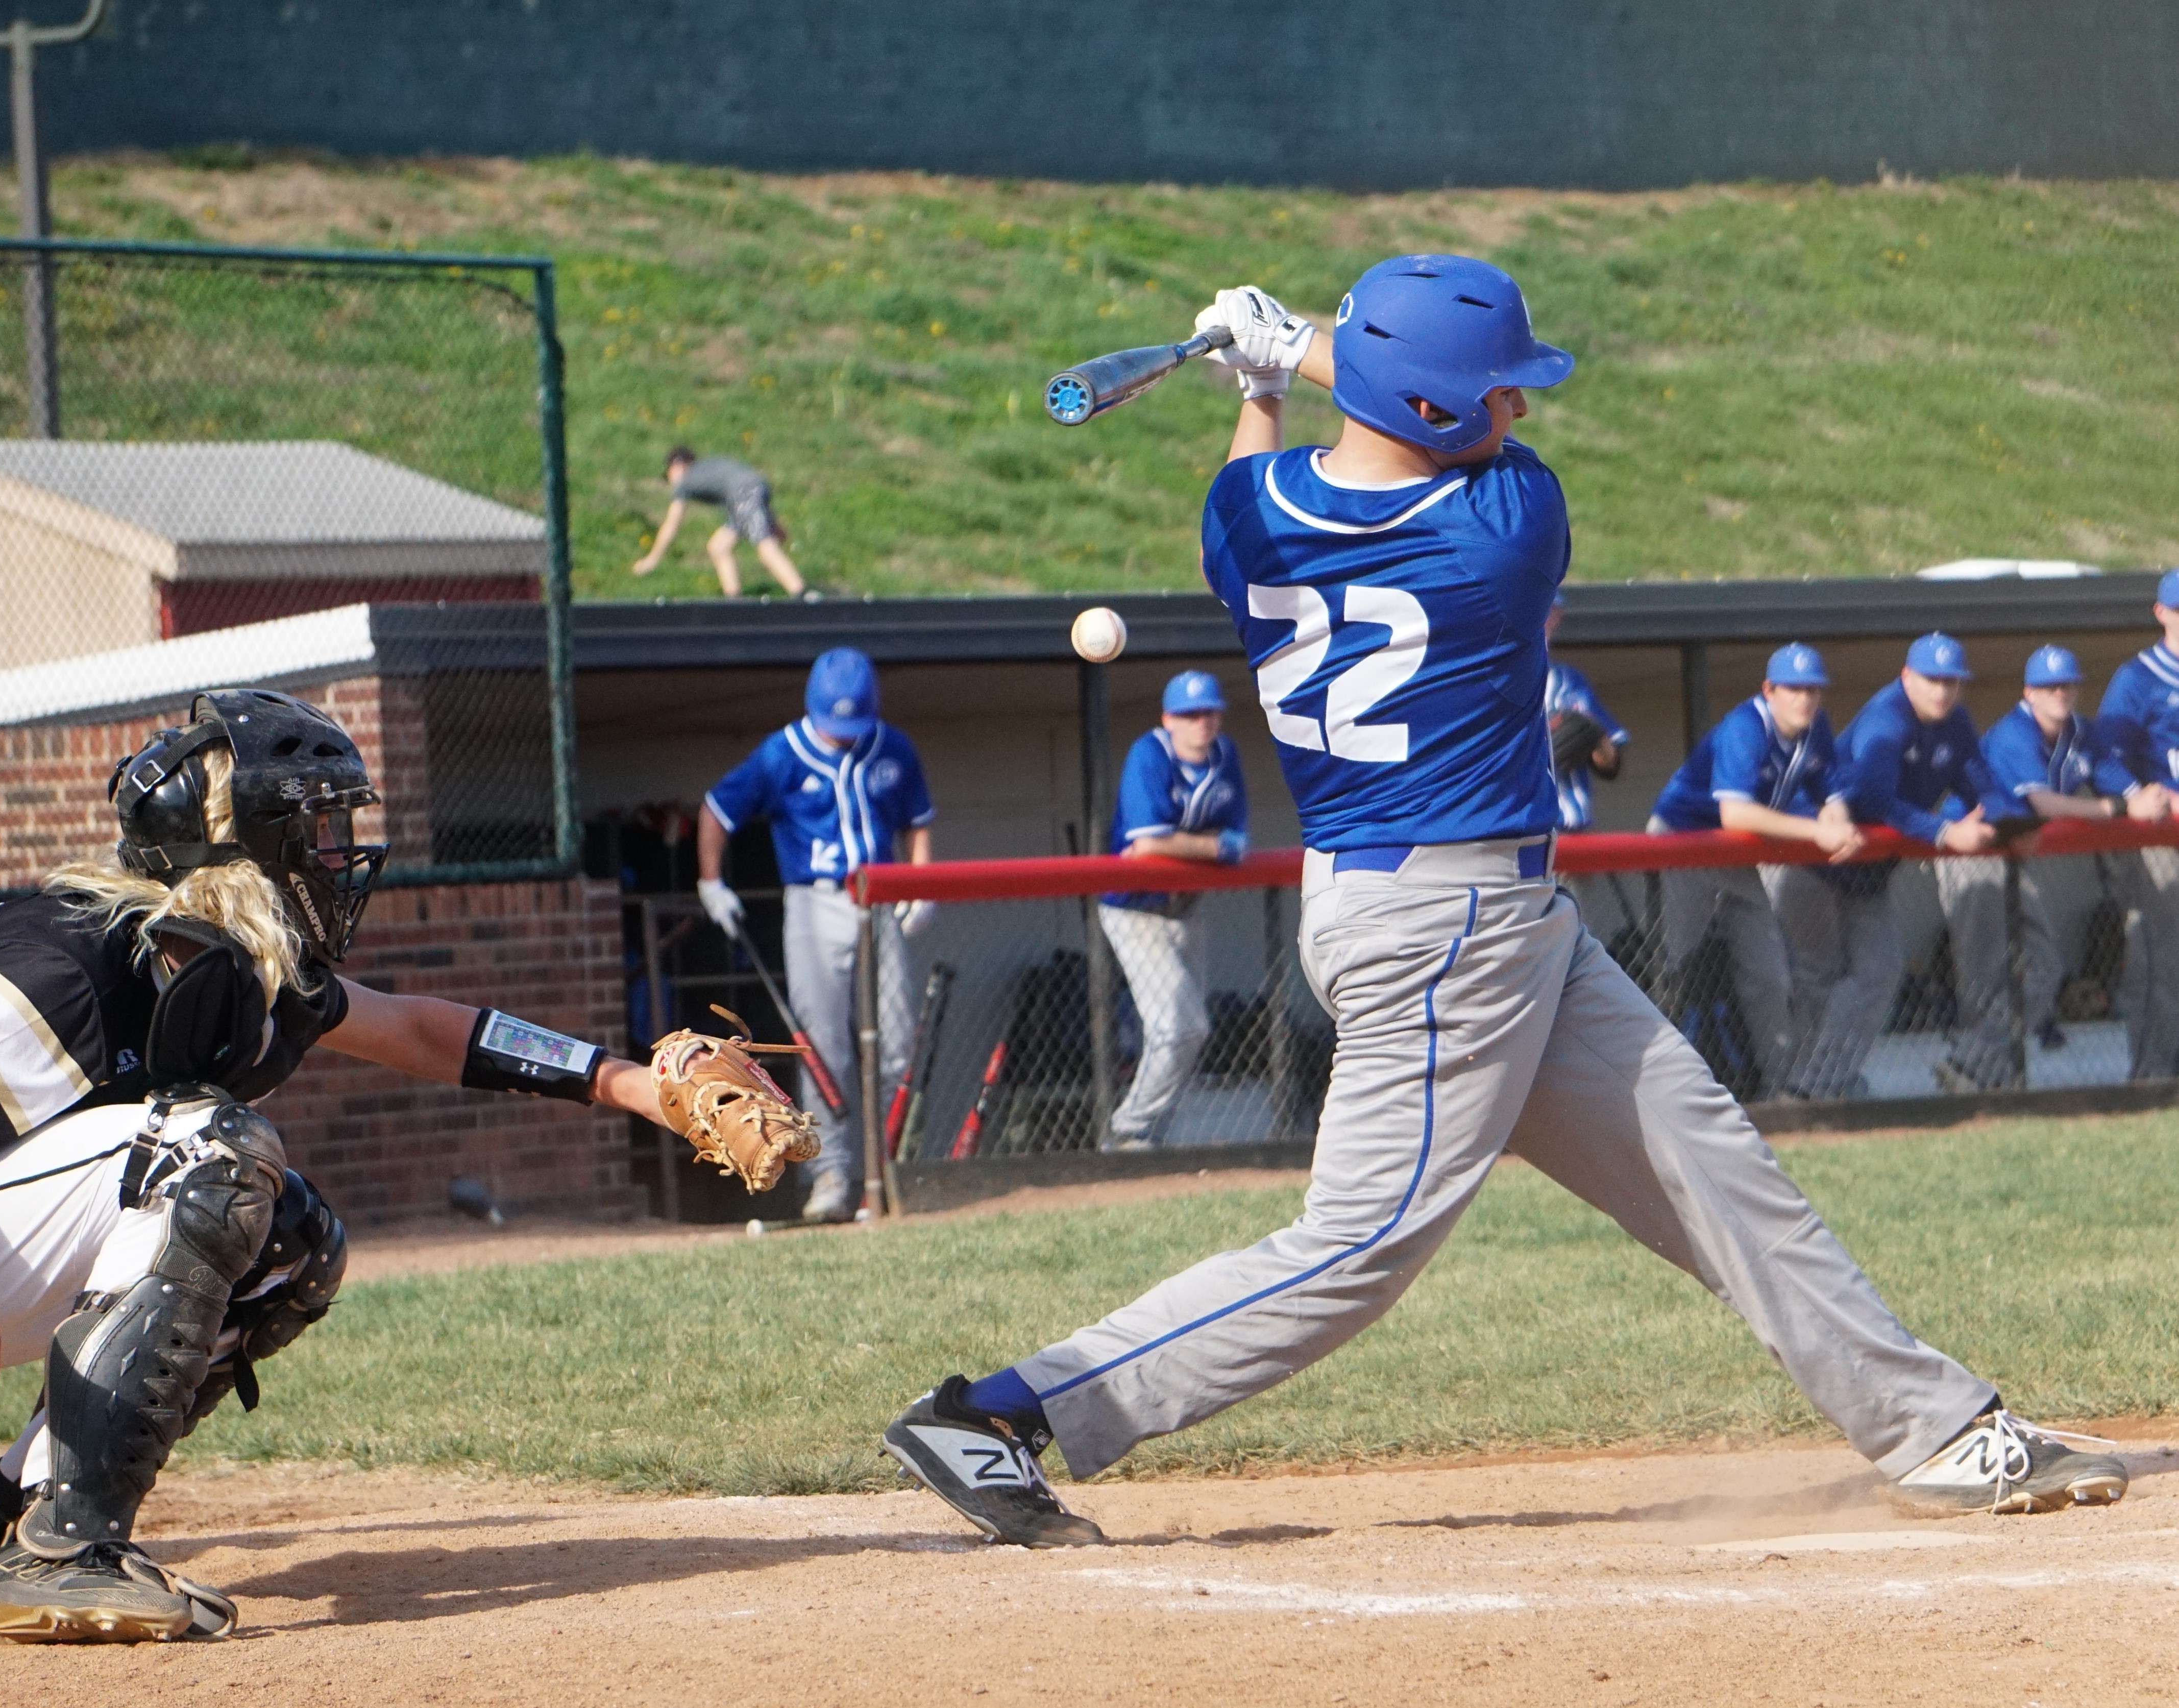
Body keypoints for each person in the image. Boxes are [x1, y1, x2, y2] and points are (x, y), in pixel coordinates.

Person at [876, 261, 2123, 1547]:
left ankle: (1935, 1427)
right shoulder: (1501, 531)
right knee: (1353, 1249)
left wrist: (1258, 382)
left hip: (1458, 916)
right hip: (1444, 933)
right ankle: (1003, 1414)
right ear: (1425, 411)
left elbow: (1265, 479)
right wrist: (1291, 346)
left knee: (1717, 1174)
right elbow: (1382, 416)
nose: (1515, 417)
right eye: (1492, 398)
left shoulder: (1243, 514)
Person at [0, 690, 697, 1642]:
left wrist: (627, 1084)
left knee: (289, 1238)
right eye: (314, 825)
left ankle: (2, 1526)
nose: (337, 853)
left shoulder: (233, 961)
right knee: (204, 1144)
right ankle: (69, 1554)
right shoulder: (69, 965)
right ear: (244, 840)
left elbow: (418, 1026)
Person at [695, 648, 933, 1222]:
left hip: (879, 895)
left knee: (897, 1040)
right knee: (822, 1049)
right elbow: (717, 809)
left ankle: (890, 1170)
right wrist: (711, 882)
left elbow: (916, 823)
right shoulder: (781, 753)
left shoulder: (892, 746)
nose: (844, 735)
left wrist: (921, 886)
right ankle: (831, 1177)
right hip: (813, 900)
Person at [1774, 633, 2010, 1099]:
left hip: (1868, 873)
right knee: (1816, 980)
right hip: (1811, 862)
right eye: (1931, 680)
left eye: (1950, 681)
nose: (1941, 690)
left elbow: (1983, 786)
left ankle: (1818, 1087)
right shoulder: (1887, 718)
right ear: (1907, 677)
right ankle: (1792, 1093)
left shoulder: (1955, 723)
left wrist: (2005, 821)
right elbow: (1875, 799)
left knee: (1880, 972)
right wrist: (1944, 832)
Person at [1648, 643, 1863, 1094]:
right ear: (1769, 690)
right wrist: (1816, 832)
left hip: (1736, 856)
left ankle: (1780, 1090)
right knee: (1677, 969)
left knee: (1769, 975)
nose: (1804, 699)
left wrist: (1837, 822)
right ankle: (1656, 1089)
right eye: (1793, 689)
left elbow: (1833, 793)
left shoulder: (1813, 727)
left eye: (1812, 690)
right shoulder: (1746, 727)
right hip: (1684, 840)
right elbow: (1736, 815)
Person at [1098, 670, 1250, 1151]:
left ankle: (1150, 1140)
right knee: (1180, 1027)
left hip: (1186, 907)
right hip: (1134, 909)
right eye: (1188, 715)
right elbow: (1145, 845)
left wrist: (1181, 846)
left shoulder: (1226, 758)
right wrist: (1209, 847)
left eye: (1207, 712)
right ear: (1168, 720)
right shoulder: (1150, 754)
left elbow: (1240, 843)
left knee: (1188, 1032)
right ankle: (1128, 1130)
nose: (1199, 723)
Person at [1978, 645, 2156, 1053]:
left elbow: (2125, 787)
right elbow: (2045, 804)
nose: (2059, 693)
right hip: (1973, 851)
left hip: (2016, 855)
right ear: (2029, 693)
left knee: (2042, 965)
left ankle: (1988, 1061)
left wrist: (2149, 799)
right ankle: (1980, 1063)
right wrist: (2122, 807)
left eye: (2066, 686)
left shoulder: (2081, 733)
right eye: (2048, 686)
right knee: (1985, 966)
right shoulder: (2013, 733)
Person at [2092, 572, 2179, 1079]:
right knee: (2159, 954)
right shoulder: (2137, 678)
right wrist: (2140, 794)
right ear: (2160, 613)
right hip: (2157, 839)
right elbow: (2101, 756)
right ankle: (2153, 1073)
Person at [631, 445, 812, 599]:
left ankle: (803, 596)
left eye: (668, 474)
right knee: (718, 547)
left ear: (677, 466)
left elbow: (672, 523)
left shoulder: (685, 480)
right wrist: (774, 523)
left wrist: (652, 560)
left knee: (766, 547)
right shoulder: (709, 467)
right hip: (750, 493)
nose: (670, 481)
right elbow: (751, 485)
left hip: (743, 496)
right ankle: (734, 599)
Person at [1543, 592, 1626, 832]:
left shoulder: (1569, 682)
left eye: (1551, 611)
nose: (1545, 619)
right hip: (1514, 834)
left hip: (1571, 831)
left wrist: (1592, 735)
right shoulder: (1489, 678)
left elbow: (1609, 766)